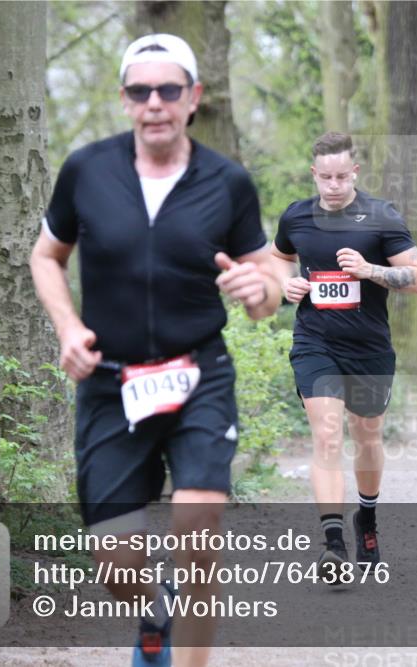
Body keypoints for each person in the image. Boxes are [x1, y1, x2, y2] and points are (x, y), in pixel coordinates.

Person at [29, 33, 280, 667]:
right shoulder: (87, 170)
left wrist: (262, 288)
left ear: (193, 98)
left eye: (169, 89)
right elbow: (46, 256)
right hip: (111, 383)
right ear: (124, 101)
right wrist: (67, 329)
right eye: (141, 91)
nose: (155, 103)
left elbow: (267, 282)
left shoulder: (227, 182)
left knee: (198, 532)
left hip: (199, 375)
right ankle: (154, 607)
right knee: (115, 562)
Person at [271, 131, 417, 579]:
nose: (334, 184)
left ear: (354, 172)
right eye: (325, 177)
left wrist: (369, 270)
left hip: (369, 347)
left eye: (342, 176)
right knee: (327, 435)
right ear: (313, 174)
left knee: (368, 435)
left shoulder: (381, 217)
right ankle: (333, 545)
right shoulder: (296, 216)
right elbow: (278, 257)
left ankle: (368, 517)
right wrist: (285, 284)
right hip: (315, 342)